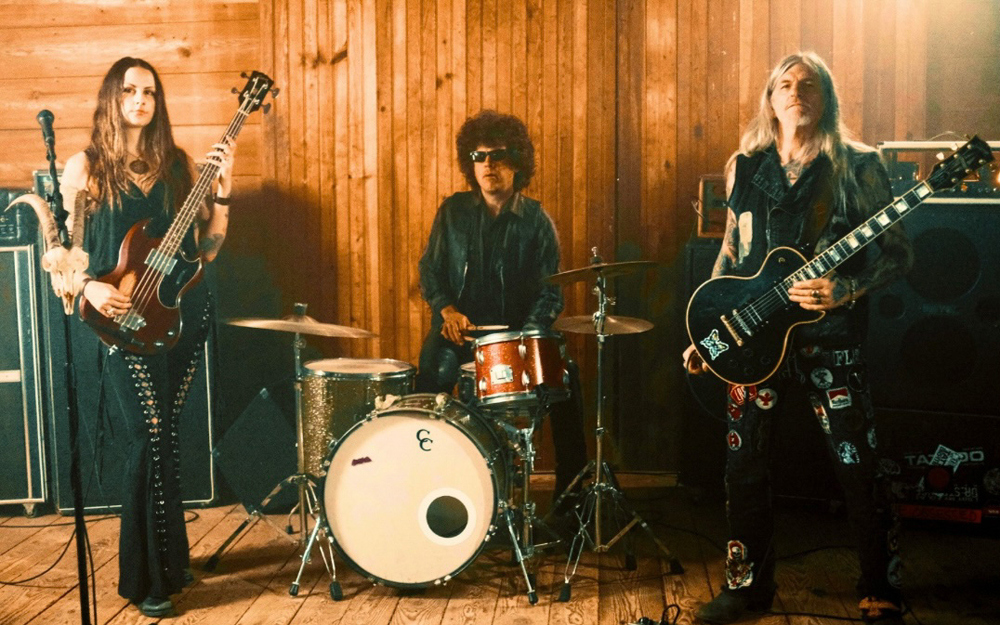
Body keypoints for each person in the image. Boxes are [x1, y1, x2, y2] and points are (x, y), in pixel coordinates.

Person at [682, 53, 913, 625]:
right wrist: (708, 333)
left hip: (830, 338)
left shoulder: (857, 165)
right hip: (752, 341)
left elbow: (900, 253)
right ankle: (746, 587)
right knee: (743, 467)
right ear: (770, 100)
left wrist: (848, 288)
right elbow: (731, 250)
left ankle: (880, 586)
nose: (795, 92)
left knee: (857, 464)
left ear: (826, 97)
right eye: (784, 84)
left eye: (808, 84)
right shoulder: (744, 165)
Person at [60, 57, 236, 618]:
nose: (140, 100)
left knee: (167, 438)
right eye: (130, 90)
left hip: (179, 316)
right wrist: (88, 286)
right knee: (146, 434)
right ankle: (144, 580)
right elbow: (65, 252)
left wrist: (224, 193)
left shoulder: (179, 166)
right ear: (112, 97)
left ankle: (172, 563)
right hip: (119, 318)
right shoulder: (86, 167)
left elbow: (206, 250)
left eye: (150, 92)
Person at [416, 109, 588, 507]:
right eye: (479, 157)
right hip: (459, 335)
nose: (488, 165)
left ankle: (570, 497)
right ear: (470, 164)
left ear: (518, 163)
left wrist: (526, 336)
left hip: (517, 337)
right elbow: (430, 270)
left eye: (498, 155)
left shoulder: (537, 221)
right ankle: (428, 489)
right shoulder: (452, 212)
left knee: (567, 379)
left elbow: (551, 294)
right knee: (430, 383)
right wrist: (446, 311)